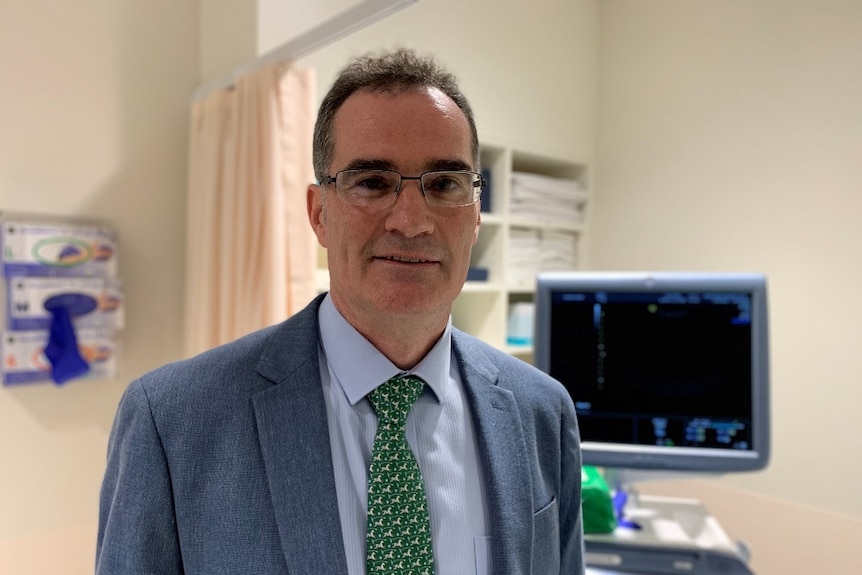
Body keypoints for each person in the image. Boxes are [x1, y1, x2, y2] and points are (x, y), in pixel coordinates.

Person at [96, 48, 584, 575]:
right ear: (318, 213)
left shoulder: (542, 413)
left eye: (445, 183)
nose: (413, 221)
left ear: (474, 216)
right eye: (373, 182)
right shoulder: (173, 421)